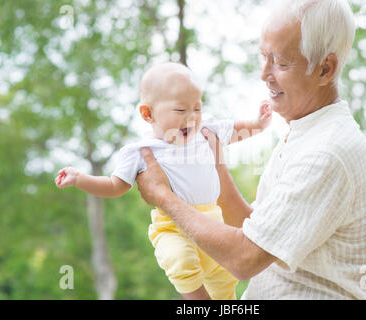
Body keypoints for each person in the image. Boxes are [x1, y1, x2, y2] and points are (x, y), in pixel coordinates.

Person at [136, 0, 366, 300]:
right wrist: (215, 161)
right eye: (263, 57)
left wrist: (164, 197)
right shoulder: (307, 132)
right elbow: (258, 232)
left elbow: (245, 258)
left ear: (325, 69)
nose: (264, 74)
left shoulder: (326, 151)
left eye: (280, 62)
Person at [54, 62, 273, 300]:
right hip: (172, 227)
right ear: (148, 114)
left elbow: (234, 130)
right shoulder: (141, 151)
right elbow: (114, 186)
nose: (192, 117)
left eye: (197, 108)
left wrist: (258, 124)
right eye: (181, 111)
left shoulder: (205, 129)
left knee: (224, 277)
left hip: (213, 220)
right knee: (180, 261)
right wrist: (80, 178)